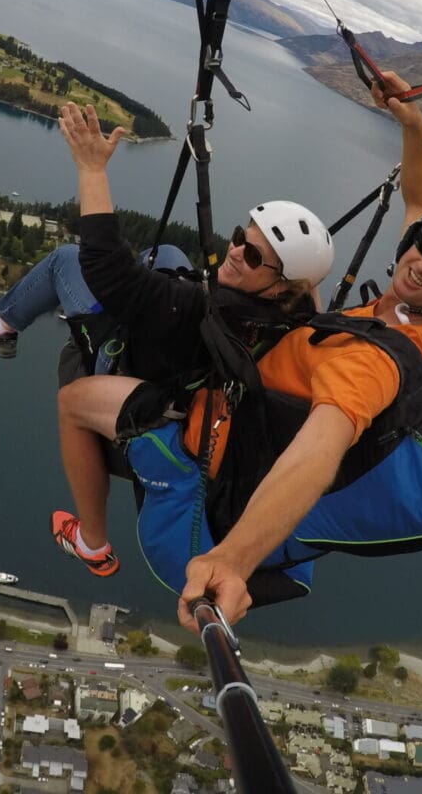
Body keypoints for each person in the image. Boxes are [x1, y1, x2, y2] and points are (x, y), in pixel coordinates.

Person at [47, 72, 422, 625]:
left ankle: (92, 543)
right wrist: (413, 126)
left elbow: (316, 455)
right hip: (248, 400)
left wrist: (231, 562)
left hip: (212, 441)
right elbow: (417, 198)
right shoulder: (413, 308)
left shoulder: (377, 360)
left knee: (75, 401)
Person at [39, 101, 336, 575]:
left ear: (281, 284)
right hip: (209, 387)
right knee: (170, 251)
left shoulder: (197, 308)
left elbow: (107, 271)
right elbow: (307, 286)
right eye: (241, 236)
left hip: (172, 398)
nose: (236, 252)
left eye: (255, 258)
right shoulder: (298, 312)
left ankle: (92, 542)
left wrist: (91, 168)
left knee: (73, 401)